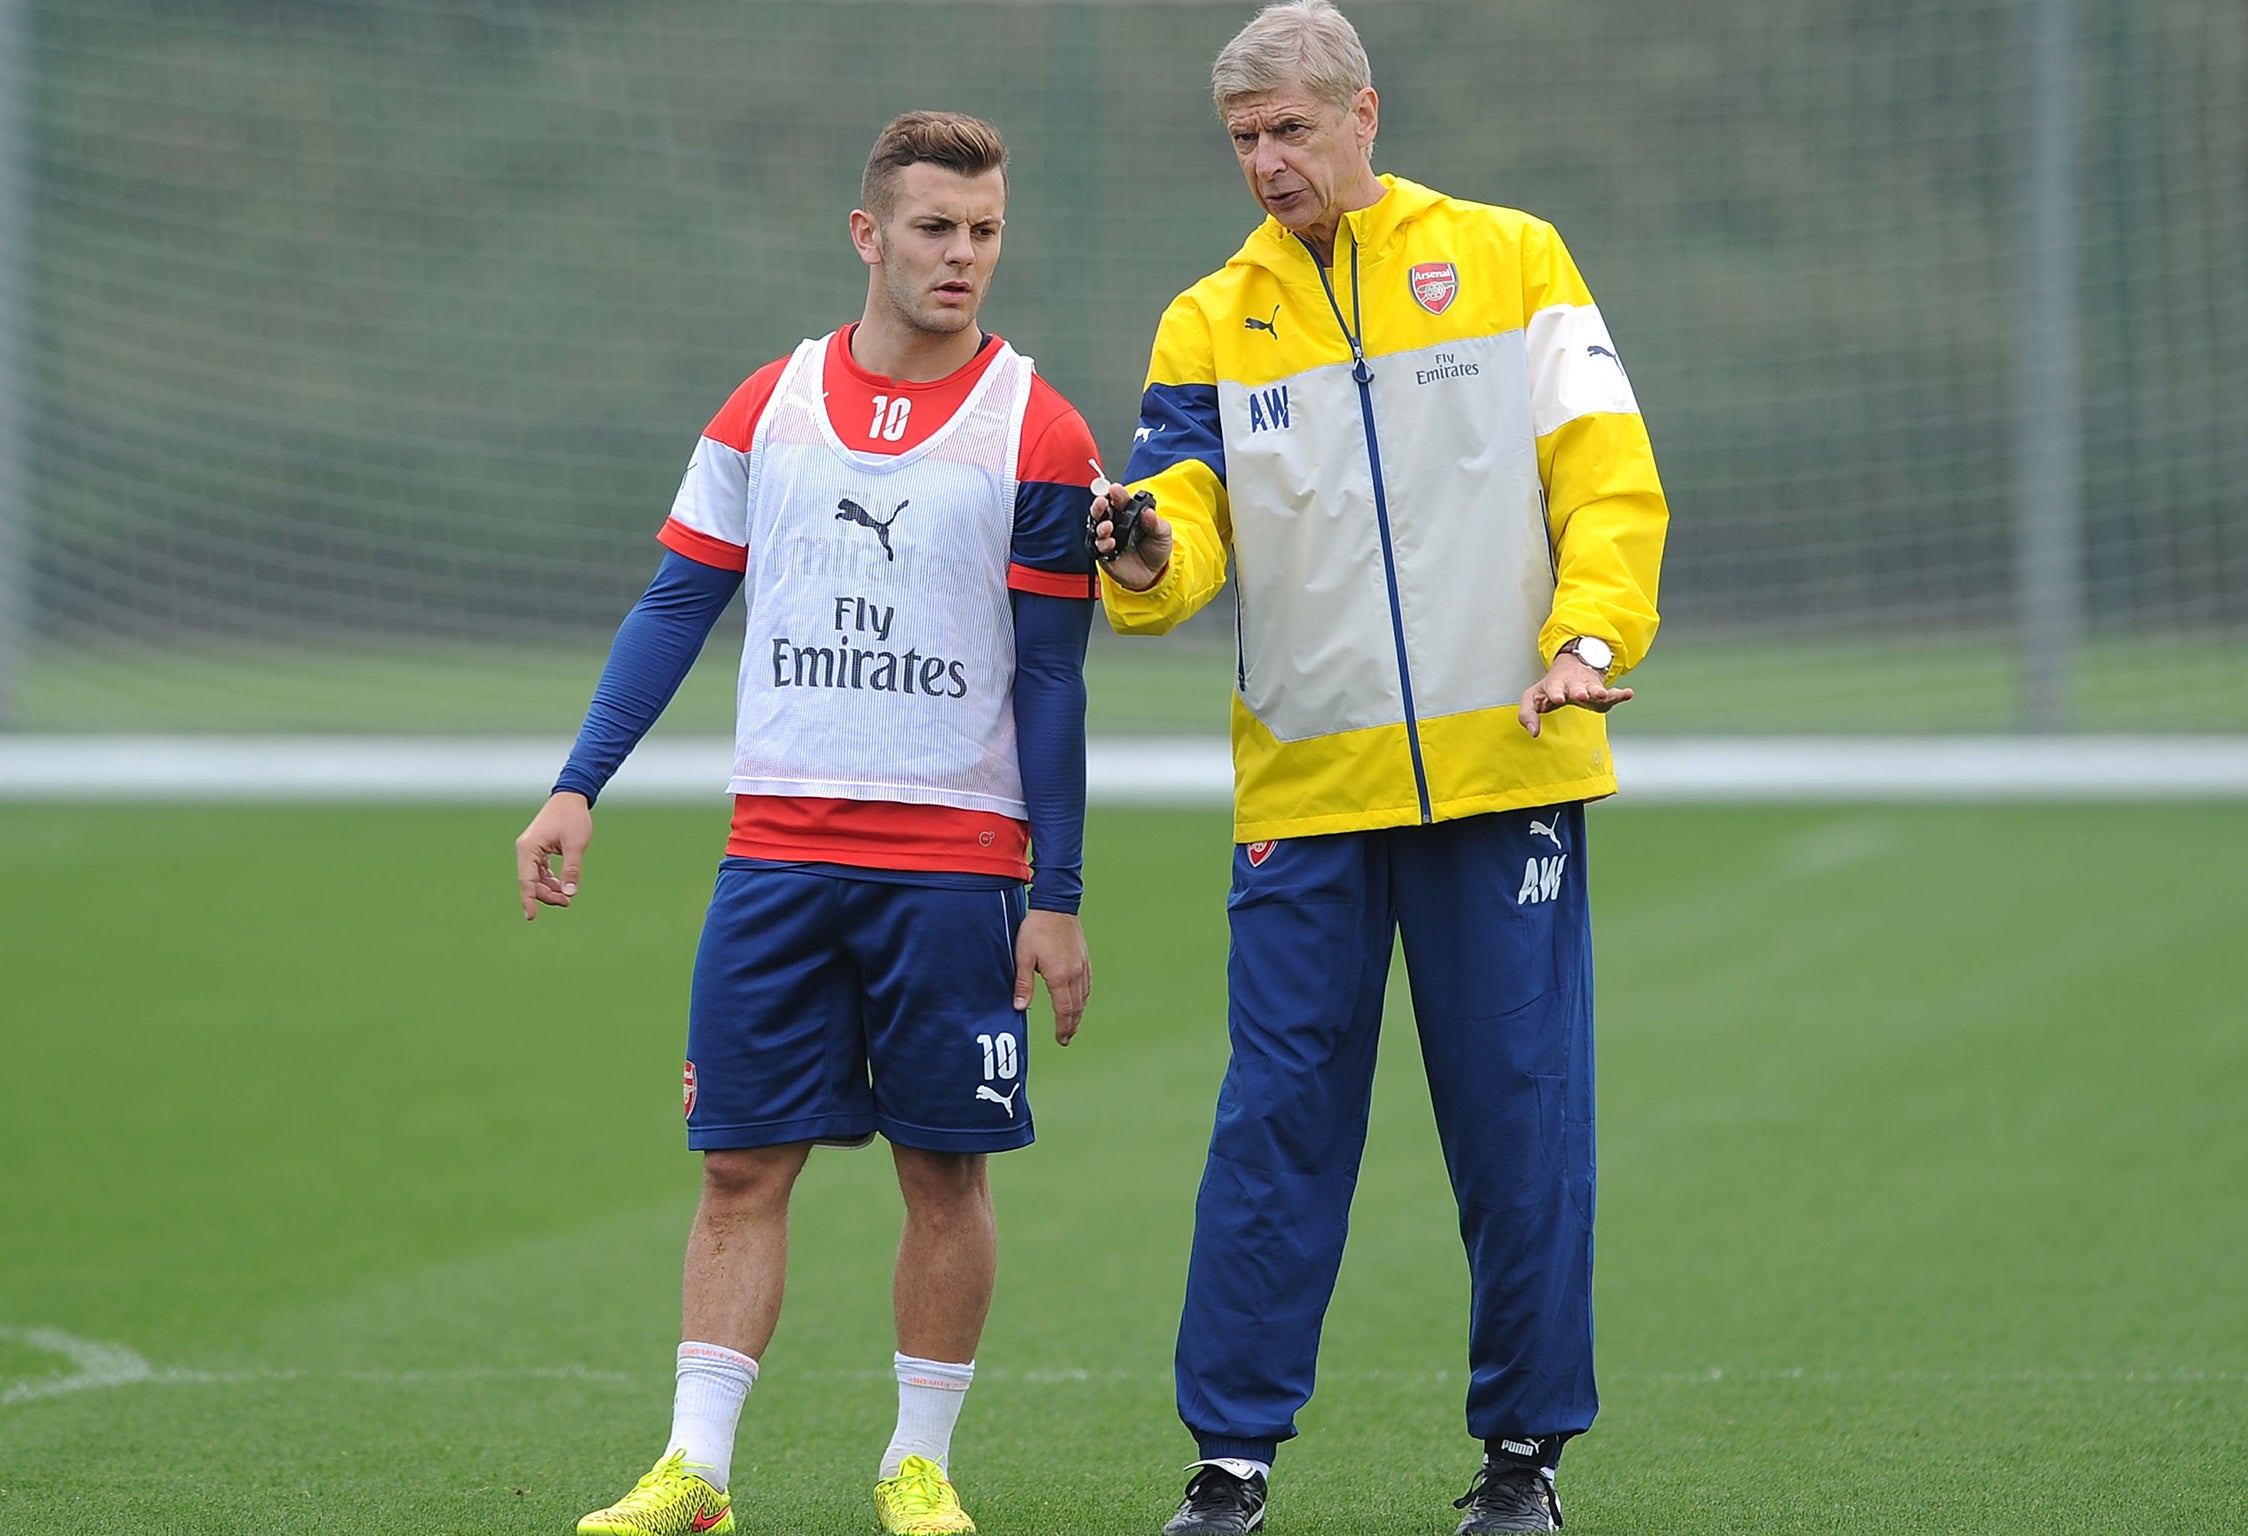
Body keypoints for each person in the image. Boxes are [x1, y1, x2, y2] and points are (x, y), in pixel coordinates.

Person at [1090, 5, 1667, 1532]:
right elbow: (1181, 521)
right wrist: (1146, 552)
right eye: (1243, 141)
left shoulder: (1513, 259)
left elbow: (1605, 473)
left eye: (1289, 129)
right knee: (1273, 1127)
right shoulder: (1209, 319)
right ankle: (1230, 1465)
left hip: (1508, 771)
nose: (1266, 164)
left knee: (1519, 1118)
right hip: (1306, 802)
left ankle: (1522, 1465)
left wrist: (1592, 640)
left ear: (1364, 114)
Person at [516, 110, 1102, 1536]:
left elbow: (1052, 678)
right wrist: (578, 783)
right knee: (736, 1164)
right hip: (776, 854)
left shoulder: (1040, 426)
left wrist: (1060, 890)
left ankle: (918, 1468)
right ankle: (696, 1472)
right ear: (868, 235)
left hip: (957, 865)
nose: (963, 256)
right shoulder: (763, 407)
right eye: (933, 229)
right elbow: (675, 606)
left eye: (983, 232)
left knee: (944, 1171)